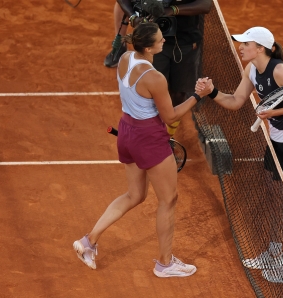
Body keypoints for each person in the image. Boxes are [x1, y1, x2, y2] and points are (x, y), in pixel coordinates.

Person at [74, 22, 213, 277]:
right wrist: (198, 95)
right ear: (148, 47)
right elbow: (170, 117)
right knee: (169, 199)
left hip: (126, 131)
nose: (164, 41)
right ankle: (165, 263)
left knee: (134, 194)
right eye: (160, 40)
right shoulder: (155, 78)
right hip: (149, 138)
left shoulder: (126, 58)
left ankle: (88, 242)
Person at [195, 26, 283, 284]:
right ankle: (273, 253)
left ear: (260, 48)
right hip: (276, 142)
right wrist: (213, 93)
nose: (240, 47)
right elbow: (236, 101)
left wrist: (272, 114)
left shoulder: (280, 71)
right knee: (275, 200)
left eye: (245, 43)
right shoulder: (251, 69)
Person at [108, 0, 212, 139]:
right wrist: (133, 16)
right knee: (152, 93)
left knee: (178, 93)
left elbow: (206, 5)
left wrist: (172, 10)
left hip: (185, 42)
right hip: (154, 43)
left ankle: (168, 136)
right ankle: (154, 133)